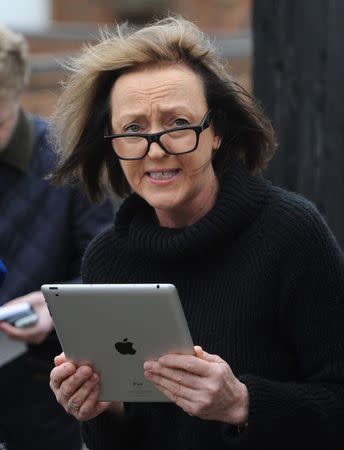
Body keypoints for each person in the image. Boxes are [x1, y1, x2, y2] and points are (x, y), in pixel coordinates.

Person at [49, 16, 344, 450]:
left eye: (177, 123)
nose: (156, 148)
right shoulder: (107, 258)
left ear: (217, 132)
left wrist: (242, 403)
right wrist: (101, 409)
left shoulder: (291, 234)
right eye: (132, 129)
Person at [0, 25, 114, 450]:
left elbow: (106, 269)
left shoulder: (67, 160)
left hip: (45, 393)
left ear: (15, 93)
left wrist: (52, 305)